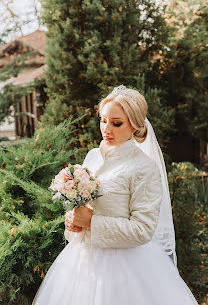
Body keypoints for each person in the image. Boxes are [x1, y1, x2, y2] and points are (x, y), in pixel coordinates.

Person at [33, 85, 198, 305]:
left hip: (128, 270)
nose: (106, 129)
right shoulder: (92, 157)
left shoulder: (144, 168)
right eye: (103, 120)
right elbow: (82, 207)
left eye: (116, 123)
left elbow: (143, 229)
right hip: (80, 266)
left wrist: (92, 222)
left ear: (135, 126)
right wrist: (73, 223)